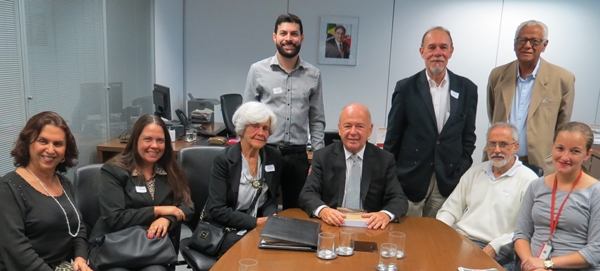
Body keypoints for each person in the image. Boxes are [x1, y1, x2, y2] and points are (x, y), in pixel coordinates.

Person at [383, 26, 477, 218]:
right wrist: (391, 177)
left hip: (447, 182)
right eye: (432, 47)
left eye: (443, 47)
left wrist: (461, 169)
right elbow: (393, 138)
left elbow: (468, 136)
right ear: (422, 52)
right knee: (408, 237)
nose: (438, 53)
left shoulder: (467, 88)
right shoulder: (405, 88)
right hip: (410, 181)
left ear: (451, 51)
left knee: (437, 240)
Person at [90, 115, 194, 271]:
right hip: (115, 246)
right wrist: (158, 210)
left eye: (160, 140)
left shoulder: (171, 170)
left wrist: (167, 219)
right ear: (136, 140)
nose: (154, 146)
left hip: (153, 249)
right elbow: (115, 218)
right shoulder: (113, 170)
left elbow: (188, 207)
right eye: (147, 139)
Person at [244, 13, 325, 210]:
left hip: (298, 156)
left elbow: (317, 120)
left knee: (297, 209)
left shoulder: (313, 75)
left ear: (302, 38)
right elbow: (246, 117)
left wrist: (319, 161)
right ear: (275, 37)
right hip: (265, 151)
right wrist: (246, 156)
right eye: (283, 33)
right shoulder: (257, 71)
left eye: (294, 34)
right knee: (259, 206)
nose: (289, 38)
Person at [437, 123, 538, 270]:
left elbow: (526, 230)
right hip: (461, 239)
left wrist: (494, 246)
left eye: (503, 144)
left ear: (516, 147)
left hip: (499, 247)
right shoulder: (475, 172)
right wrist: (439, 231)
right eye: (492, 144)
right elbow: (451, 208)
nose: (496, 150)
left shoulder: (529, 180)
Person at [0, 111, 92, 271]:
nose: (50, 150)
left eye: (58, 144)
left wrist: (80, 258)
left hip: (63, 266)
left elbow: (78, 228)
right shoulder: (9, 188)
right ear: (28, 143)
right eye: (43, 141)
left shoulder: (65, 183)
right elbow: (16, 252)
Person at [299, 103, 408, 230]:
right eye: (347, 126)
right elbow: (307, 194)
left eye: (360, 126)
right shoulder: (323, 157)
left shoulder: (385, 160)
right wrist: (323, 211)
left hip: (370, 228)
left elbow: (399, 199)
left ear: (370, 129)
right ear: (339, 129)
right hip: (332, 226)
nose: (353, 132)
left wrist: (385, 215)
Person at [487, 20, 575, 175]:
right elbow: (493, 111)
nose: (527, 46)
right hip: (500, 159)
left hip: (539, 163)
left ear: (544, 45)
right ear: (515, 44)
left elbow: (562, 126)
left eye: (534, 41)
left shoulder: (562, 79)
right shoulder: (498, 75)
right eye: (522, 40)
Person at [514, 122, 600, 271]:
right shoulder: (536, 186)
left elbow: (596, 251)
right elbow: (521, 234)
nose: (565, 157)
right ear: (552, 146)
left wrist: (547, 263)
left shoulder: (595, 192)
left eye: (575, 151)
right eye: (560, 148)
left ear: (587, 154)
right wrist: (531, 264)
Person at [203, 101, 281, 255]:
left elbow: (270, 198)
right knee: (253, 251)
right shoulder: (224, 160)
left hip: (256, 226)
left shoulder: (273, 156)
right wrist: (255, 222)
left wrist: (271, 218)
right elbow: (217, 210)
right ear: (242, 129)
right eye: (255, 126)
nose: (261, 132)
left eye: (265, 128)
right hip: (225, 227)